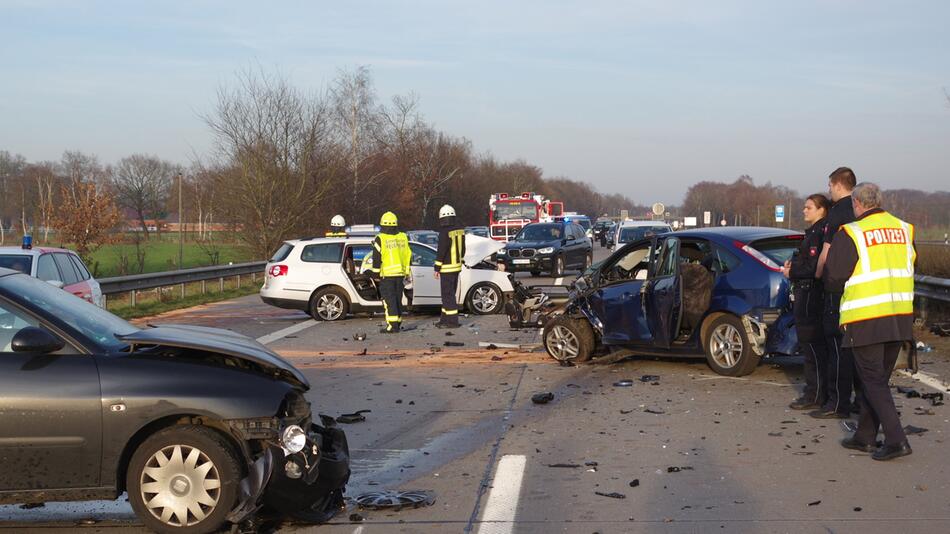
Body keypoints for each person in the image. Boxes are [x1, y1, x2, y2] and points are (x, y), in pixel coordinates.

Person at [824, 182, 915, 461]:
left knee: (873, 381)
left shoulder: (852, 232)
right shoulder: (904, 228)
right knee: (876, 380)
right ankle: (865, 436)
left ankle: (897, 439)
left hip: (866, 318)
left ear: (857, 204)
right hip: (899, 316)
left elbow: (835, 277)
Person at [811, 166, 858, 420]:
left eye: (830, 186)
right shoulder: (860, 210)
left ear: (838, 184)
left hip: (836, 287)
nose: (828, 190)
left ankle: (837, 402)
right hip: (859, 288)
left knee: (835, 346)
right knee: (857, 348)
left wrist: (818, 275)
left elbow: (826, 252)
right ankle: (860, 400)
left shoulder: (837, 213)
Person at [783, 194, 831, 410]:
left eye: (808, 207)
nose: (804, 211)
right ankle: (818, 392)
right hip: (807, 294)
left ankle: (814, 394)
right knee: (813, 348)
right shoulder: (813, 233)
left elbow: (813, 268)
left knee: (812, 348)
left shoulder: (820, 233)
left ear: (821, 210)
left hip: (811, 296)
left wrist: (791, 271)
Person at [369, 212, 411, 333]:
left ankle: (392, 326)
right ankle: (397, 322)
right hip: (401, 275)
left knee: (389, 301)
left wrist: (376, 274)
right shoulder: (403, 237)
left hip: (387, 276)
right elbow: (408, 255)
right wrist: (407, 272)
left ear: (382, 225)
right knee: (398, 300)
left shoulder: (380, 238)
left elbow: (376, 258)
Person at [433, 204, 466, 328]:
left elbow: (441, 250)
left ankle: (452, 322)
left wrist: (437, 268)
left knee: (447, 295)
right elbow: (463, 249)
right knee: (450, 294)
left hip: (446, 268)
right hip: (457, 267)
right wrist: (460, 260)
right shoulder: (460, 230)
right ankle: (444, 320)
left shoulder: (444, 232)